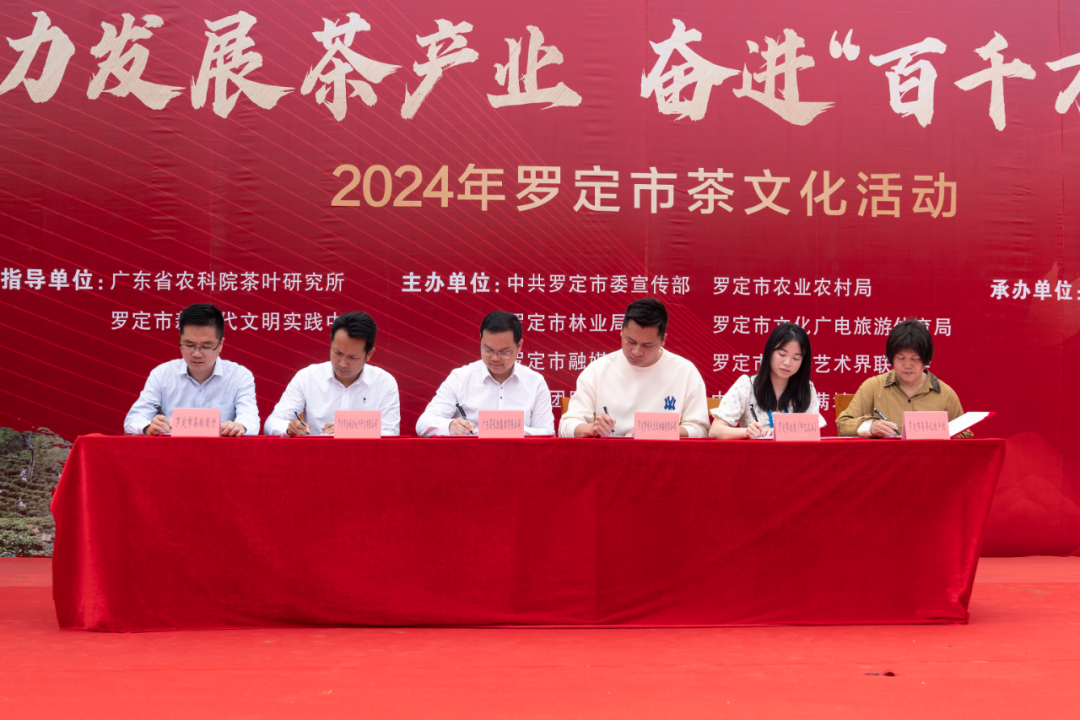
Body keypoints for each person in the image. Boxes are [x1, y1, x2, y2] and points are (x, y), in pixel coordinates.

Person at [559, 298, 709, 438]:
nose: (636, 352)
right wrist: (591, 429)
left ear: (663, 340)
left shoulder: (685, 372)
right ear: (621, 332)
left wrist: (657, 431)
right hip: (610, 453)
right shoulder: (598, 370)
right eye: (631, 341)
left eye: (647, 345)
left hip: (664, 453)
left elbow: (699, 429)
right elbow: (566, 426)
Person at [124, 303, 259, 436]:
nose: (196, 354)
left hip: (221, 449)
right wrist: (148, 427)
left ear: (220, 344)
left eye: (206, 346)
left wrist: (240, 426)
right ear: (180, 341)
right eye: (189, 345)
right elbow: (133, 419)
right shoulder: (162, 374)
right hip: (172, 448)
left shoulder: (239, 376)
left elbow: (250, 419)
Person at [416, 311, 554, 436]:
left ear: (519, 346)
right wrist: (450, 426)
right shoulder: (460, 378)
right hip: (469, 454)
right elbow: (423, 424)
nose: (495, 358)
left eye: (504, 352)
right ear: (480, 340)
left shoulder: (536, 382)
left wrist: (509, 430)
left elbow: (547, 432)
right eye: (487, 350)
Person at [264, 311, 400, 436]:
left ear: (369, 354)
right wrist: (289, 428)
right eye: (337, 352)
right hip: (315, 453)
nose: (342, 363)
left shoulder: (384, 383)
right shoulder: (307, 377)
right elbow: (272, 422)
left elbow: (391, 432)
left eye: (352, 357)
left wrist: (348, 430)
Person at [836, 318, 970, 437]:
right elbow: (843, 424)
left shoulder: (945, 394)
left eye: (915, 359)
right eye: (901, 358)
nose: (907, 365)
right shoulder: (873, 387)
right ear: (891, 358)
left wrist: (939, 433)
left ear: (925, 359)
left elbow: (965, 434)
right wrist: (870, 427)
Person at [709, 323, 826, 439]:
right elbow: (715, 431)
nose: (787, 363)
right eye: (782, 354)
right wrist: (746, 432)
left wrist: (783, 432)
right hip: (755, 451)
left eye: (795, 358)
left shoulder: (807, 389)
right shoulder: (746, 385)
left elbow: (813, 432)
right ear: (769, 352)